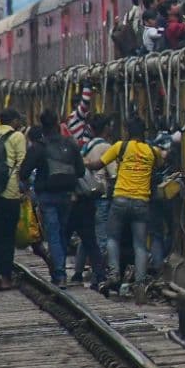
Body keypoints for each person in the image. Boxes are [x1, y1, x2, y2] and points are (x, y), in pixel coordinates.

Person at [86, 116, 163, 288]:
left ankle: (114, 274)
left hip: (120, 199)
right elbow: (159, 164)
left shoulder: (121, 146)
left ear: (128, 132)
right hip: (142, 201)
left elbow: (98, 165)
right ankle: (140, 283)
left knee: (113, 238)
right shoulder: (152, 151)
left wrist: (84, 162)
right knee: (140, 245)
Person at [20, 110, 84, 287]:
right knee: (63, 232)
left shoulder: (39, 147)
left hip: (47, 195)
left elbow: (24, 172)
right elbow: (81, 171)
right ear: (57, 123)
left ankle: (60, 274)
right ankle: (60, 268)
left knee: (53, 233)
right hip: (67, 195)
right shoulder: (70, 144)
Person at [0, 109, 29, 291]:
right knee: (8, 237)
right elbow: (22, 166)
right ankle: (6, 278)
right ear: (14, 121)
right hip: (10, 194)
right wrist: (24, 189)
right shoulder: (18, 137)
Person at [72, 112, 115, 285]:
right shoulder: (106, 147)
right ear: (106, 128)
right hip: (101, 197)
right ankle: (99, 276)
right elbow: (113, 174)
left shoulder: (87, 145)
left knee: (86, 237)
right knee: (101, 238)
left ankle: (77, 273)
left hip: (85, 196)